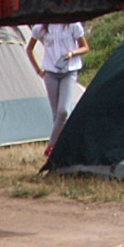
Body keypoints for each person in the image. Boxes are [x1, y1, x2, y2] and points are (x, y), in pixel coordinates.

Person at [27, 19, 89, 153]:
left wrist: (72, 53)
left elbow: (85, 47)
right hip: (50, 73)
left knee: (63, 111)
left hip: (69, 71)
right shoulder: (41, 27)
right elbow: (29, 49)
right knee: (56, 115)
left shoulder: (73, 25)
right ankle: (62, 150)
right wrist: (38, 69)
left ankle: (51, 145)